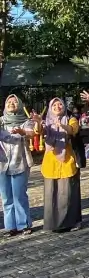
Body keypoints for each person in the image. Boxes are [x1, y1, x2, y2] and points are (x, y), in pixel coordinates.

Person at [40, 98, 82, 232]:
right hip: (50, 163)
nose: (57, 107)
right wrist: (36, 122)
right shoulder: (46, 122)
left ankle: (70, 223)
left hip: (67, 160)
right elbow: (39, 131)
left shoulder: (70, 118)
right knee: (51, 194)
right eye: (54, 105)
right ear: (50, 108)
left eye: (60, 104)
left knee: (68, 194)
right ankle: (53, 224)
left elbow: (73, 130)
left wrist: (62, 126)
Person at [0, 95, 35, 236]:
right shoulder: (1, 121)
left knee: (19, 195)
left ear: (19, 105)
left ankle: (24, 225)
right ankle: (10, 227)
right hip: (2, 164)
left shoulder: (25, 121)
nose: (11, 104)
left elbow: (31, 133)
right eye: (9, 102)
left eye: (14, 102)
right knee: (6, 197)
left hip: (20, 162)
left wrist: (21, 131)